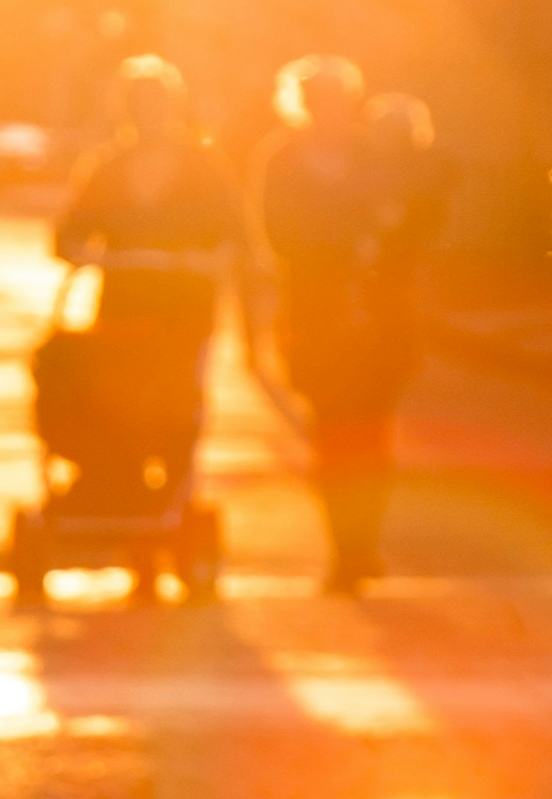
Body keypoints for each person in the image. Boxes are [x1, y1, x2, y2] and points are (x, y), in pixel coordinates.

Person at [253, 57, 440, 590]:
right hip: (315, 316)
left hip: (380, 317)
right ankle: (342, 548)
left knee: (374, 435)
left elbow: (411, 212)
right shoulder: (281, 159)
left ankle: (364, 545)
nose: (329, 111)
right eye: (319, 101)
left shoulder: (373, 156)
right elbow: (277, 233)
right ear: (303, 105)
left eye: (338, 101)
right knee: (331, 433)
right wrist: (343, 244)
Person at [52, 57, 239, 498]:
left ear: (173, 107)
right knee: (120, 399)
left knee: (178, 398)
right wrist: (79, 253)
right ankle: (123, 484)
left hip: (185, 305)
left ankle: (176, 487)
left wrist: (211, 259)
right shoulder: (107, 167)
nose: (148, 114)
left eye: (156, 104)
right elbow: (70, 230)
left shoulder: (203, 166)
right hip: (125, 304)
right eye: (138, 105)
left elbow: (234, 233)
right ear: (125, 111)